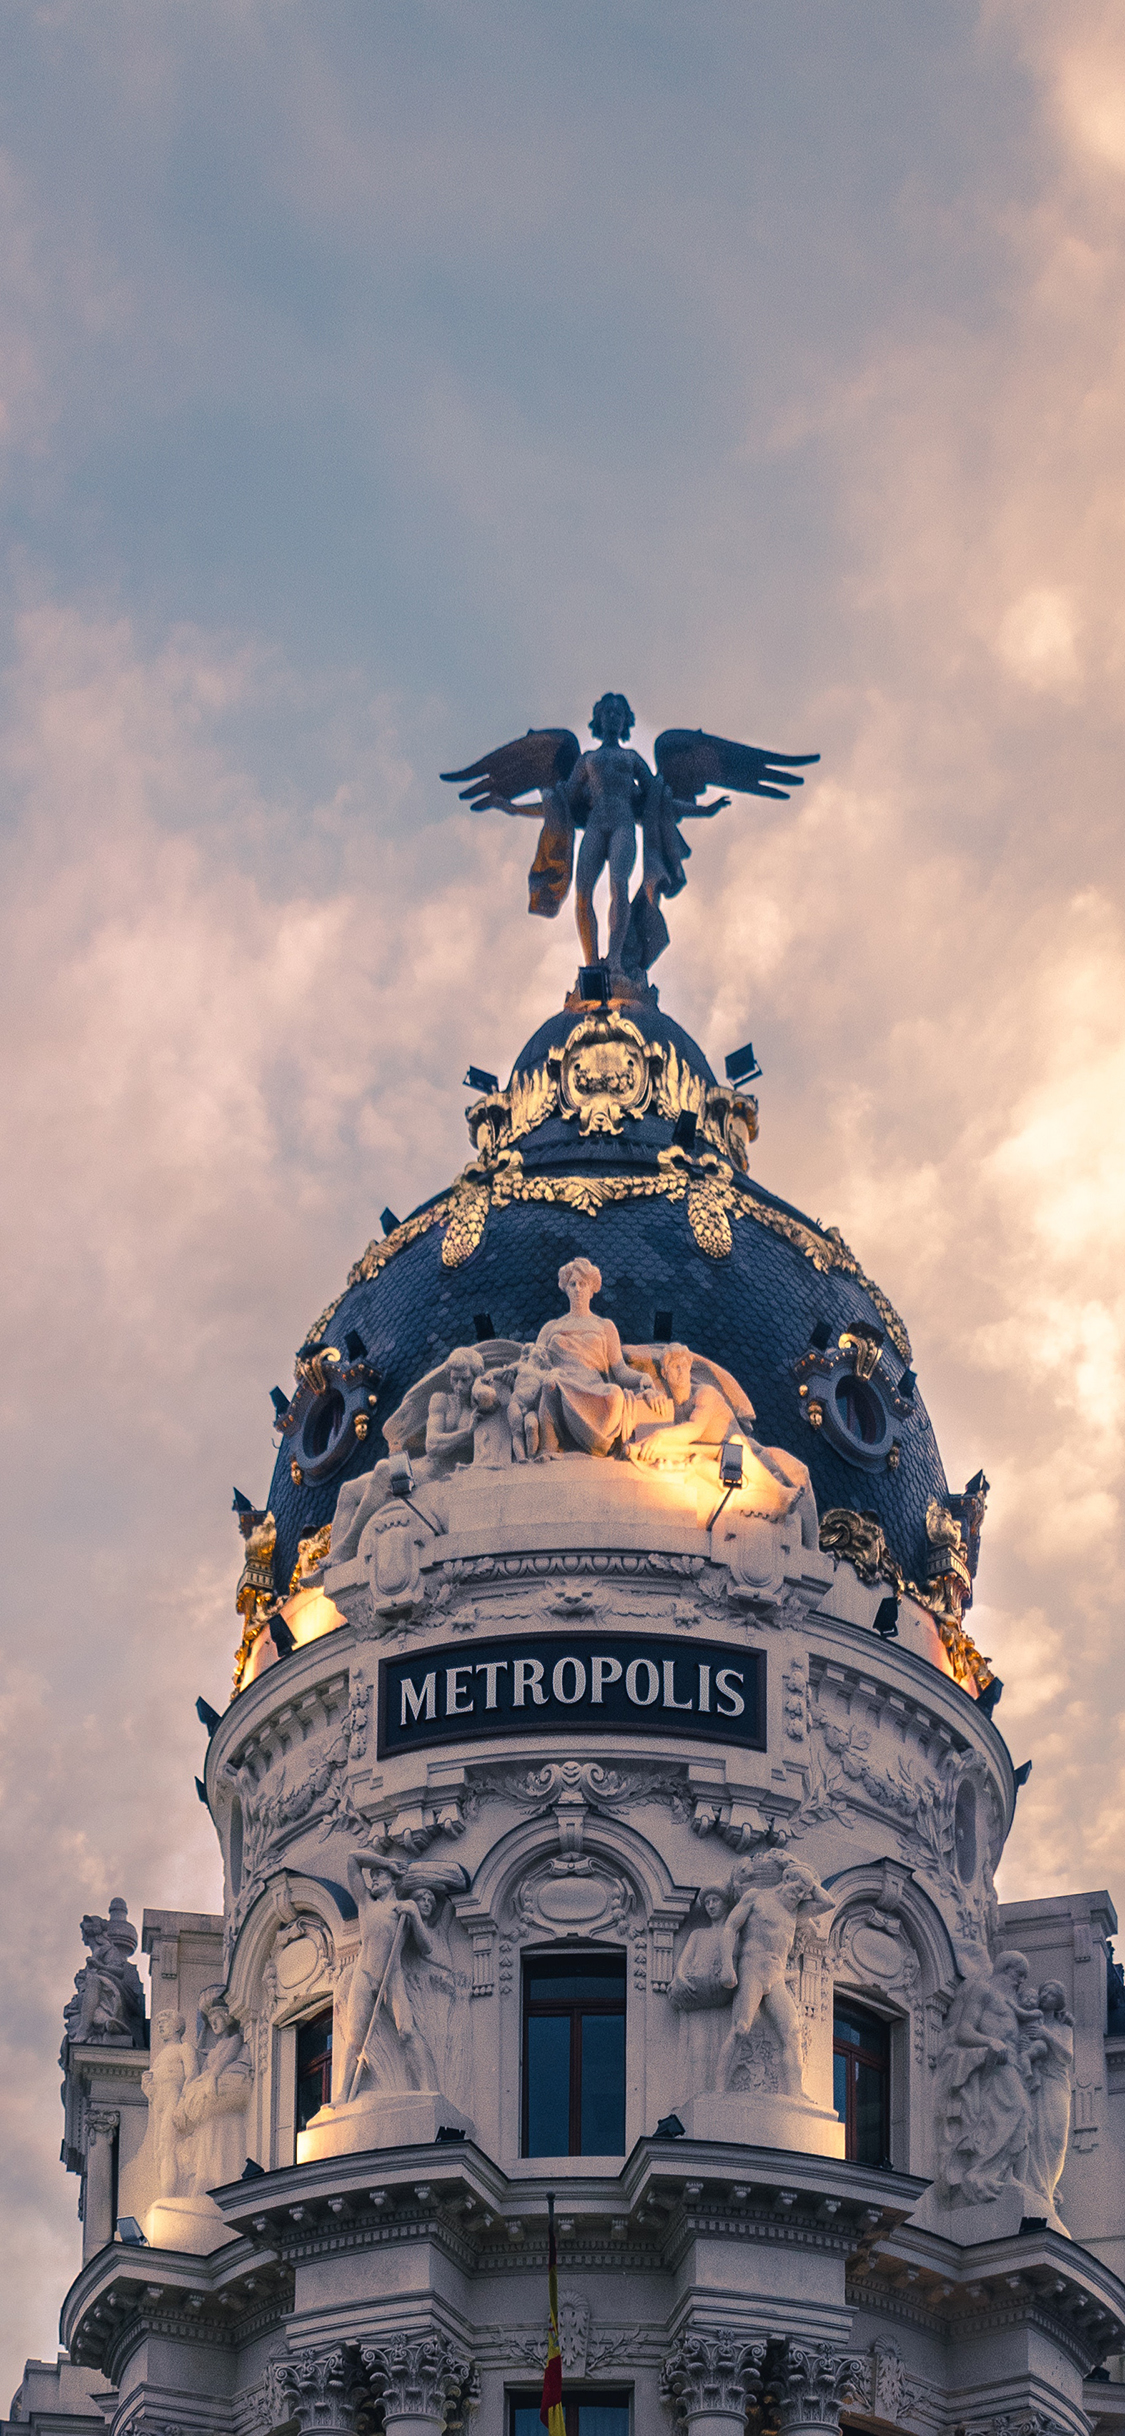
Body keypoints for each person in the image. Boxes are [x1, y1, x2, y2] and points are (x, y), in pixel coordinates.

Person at [715, 1861, 834, 2098]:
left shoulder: (796, 1911)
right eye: (796, 1888)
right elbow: (730, 1927)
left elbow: (828, 1903)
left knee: (793, 2032)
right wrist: (727, 1966)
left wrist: (811, 1882)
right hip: (752, 1971)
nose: (799, 1895)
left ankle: (796, 2091)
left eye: (803, 1892)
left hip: (776, 1978)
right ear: (786, 1878)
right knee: (740, 2029)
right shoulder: (757, 1898)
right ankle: (718, 2088)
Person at [932, 1952, 1042, 2206]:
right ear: (1005, 1969)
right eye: (1018, 1975)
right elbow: (964, 2031)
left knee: (1024, 2119)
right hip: (993, 2065)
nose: (1021, 1982)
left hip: (1010, 2065)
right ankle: (979, 2173)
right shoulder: (982, 1990)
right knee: (1014, 2112)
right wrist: (989, 2041)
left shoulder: (1009, 2002)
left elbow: (1029, 2018)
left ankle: (1003, 2174)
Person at [534, 1258, 670, 1456]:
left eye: (583, 1284)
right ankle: (549, 1448)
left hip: (593, 1386)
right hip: (562, 1381)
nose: (578, 1289)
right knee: (551, 1384)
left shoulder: (604, 1327)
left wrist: (643, 1378)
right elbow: (533, 1362)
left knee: (615, 1394)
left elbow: (620, 1370)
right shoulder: (551, 1328)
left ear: (592, 1289)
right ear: (566, 1289)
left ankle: (598, 1444)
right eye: (573, 1284)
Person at [336, 1852, 441, 2104]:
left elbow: (426, 1948)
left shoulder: (405, 1909)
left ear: (392, 1881)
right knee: (353, 2040)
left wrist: (414, 1915)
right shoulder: (366, 1904)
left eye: (379, 1876)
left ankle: (427, 2090)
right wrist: (385, 1863)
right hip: (364, 1975)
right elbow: (352, 1859)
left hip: (391, 1976)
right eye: (373, 1876)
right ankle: (342, 2095)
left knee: (406, 2031)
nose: (373, 1880)